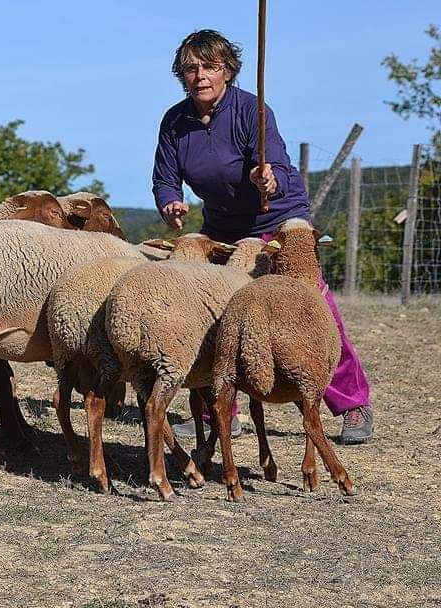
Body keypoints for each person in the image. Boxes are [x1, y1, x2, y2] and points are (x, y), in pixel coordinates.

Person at [152, 29, 374, 444]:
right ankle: (218, 410)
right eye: (191, 68)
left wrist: (265, 178)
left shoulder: (252, 111)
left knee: (312, 305)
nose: (200, 75)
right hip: (222, 226)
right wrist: (170, 202)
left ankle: (353, 403)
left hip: (277, 215)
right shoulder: (174, 122)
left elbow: (278, 169)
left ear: (228, 71)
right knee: (208, 309)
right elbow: (165, 179)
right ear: (181, 74)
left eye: (211, 67)